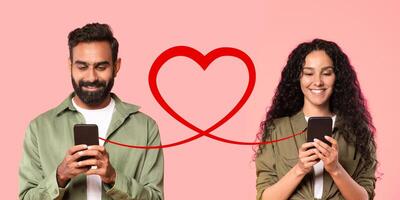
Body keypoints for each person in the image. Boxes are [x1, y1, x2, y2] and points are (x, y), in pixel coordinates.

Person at [19, 23, 164, 200]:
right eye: (82, 67)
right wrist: (60, 176)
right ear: (70, 66)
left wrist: (114, 178)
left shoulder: (146, 127)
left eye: (101, 67)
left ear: (116, 66)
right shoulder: (39, 128)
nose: (91, 77)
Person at [255, 39, 377, 200]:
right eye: (308, 73)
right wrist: (300, 169)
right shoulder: (276, 130)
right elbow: (265, 197)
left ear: (337, 77)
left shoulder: (358, 132)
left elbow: (364, 197)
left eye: (326, 73)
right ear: (297, 78)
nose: (318, 82)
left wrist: (335, 169)